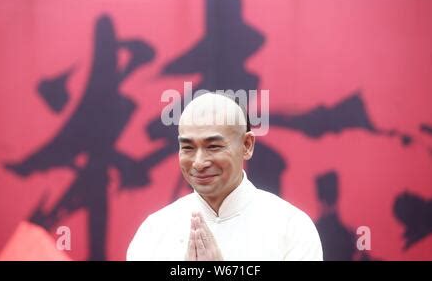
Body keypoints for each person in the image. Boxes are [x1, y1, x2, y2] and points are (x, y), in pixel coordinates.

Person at [126, 92, 323, 260]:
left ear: (247, 145)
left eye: (213, 146)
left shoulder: (291, 227)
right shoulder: (154, 231)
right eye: (188, 147)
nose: (199, 162)